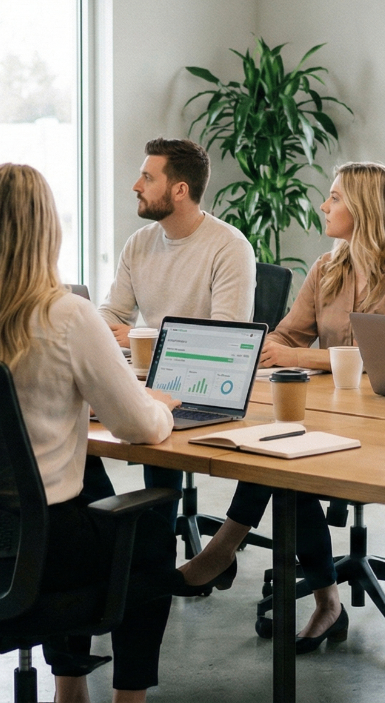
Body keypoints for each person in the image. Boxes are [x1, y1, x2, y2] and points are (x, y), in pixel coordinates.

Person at [0, 163, 213, 703]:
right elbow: (140, 427)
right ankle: (127, 697)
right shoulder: (68, 316)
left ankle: (71, 687)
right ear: (46, 231)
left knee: (91, 488)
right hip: (39, 546)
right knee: (145, 536)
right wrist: (160, 403)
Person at [176, 162, 385, 652]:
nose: (324, 205)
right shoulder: (327, 267)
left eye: (335, 198)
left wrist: (296, 355)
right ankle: (325, 600)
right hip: (327, 415)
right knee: (277, 453)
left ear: (364, 208)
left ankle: (223, 552)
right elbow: (287, 334)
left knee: (283, 454)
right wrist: (268, 349)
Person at [98, 137, 256, 521]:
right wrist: (107, 332)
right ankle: (152, 545)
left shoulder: (229, 247)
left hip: (208, 388)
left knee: (148, 414)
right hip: (151, 381)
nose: (136, 186)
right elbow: (112, 314)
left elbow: (226, 340)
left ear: (180, 190)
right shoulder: (139, 243)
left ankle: (157, 547)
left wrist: (144, 337)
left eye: (147, 178)